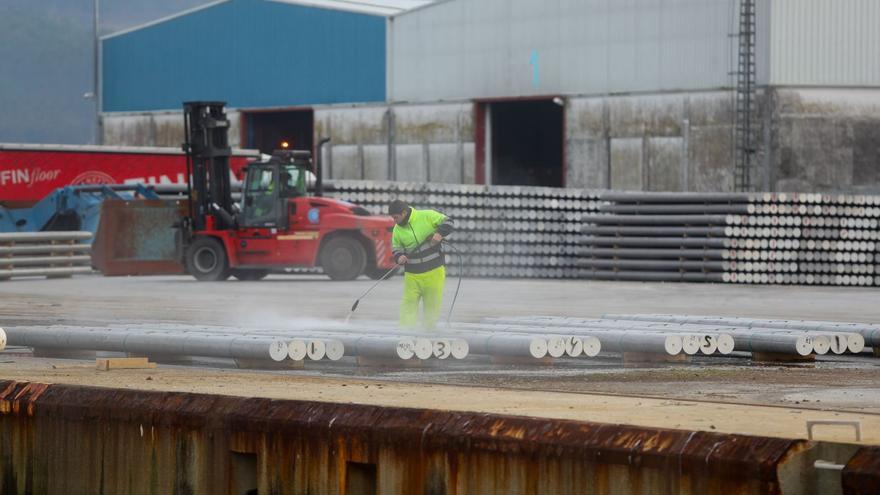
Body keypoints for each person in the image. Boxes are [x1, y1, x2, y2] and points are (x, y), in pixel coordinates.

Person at [389, 199, 454, 330]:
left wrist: (439, 233)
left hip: (434, 271)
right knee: (408, 306)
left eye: (395, 217)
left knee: (431, 307)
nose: (394, 221)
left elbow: (449, 221)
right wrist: (399, 256)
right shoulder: (397, 230)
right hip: (412, 275)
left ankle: (427, 337)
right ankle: (405, 337)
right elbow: (396, 248)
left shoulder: (427, 215)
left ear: (403, 213)